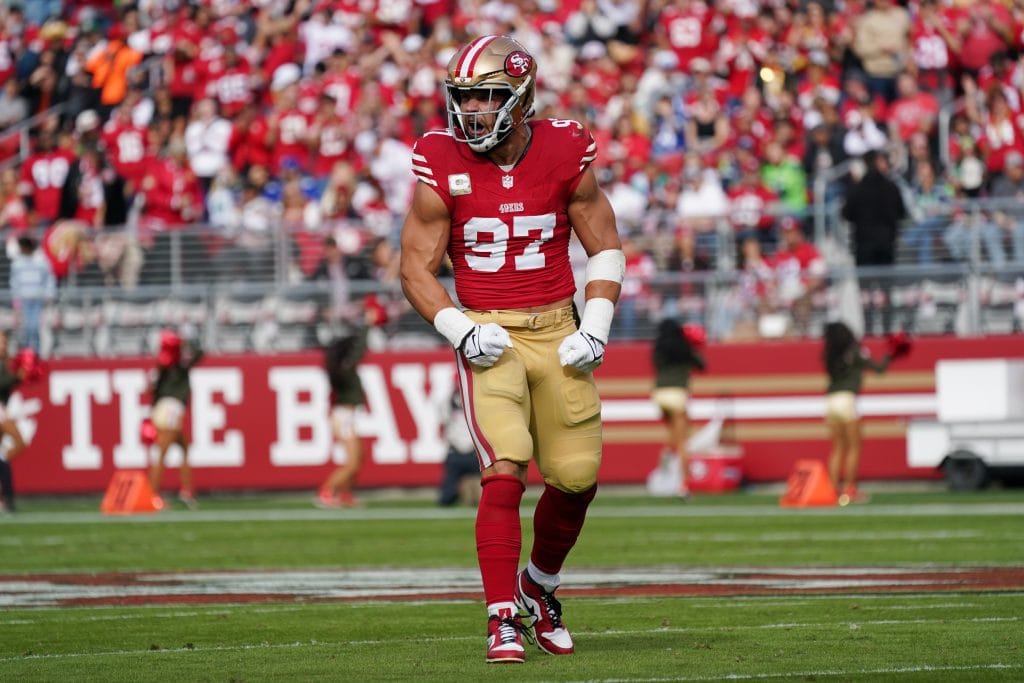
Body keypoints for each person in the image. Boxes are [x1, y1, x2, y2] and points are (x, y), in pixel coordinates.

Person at [399, 35, 623, 664]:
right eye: (465, 97)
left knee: (577, 477)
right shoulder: (439, 157)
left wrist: (596, 322)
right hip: (487, 330)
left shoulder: (564, 146)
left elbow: (604, 246)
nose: (472, 110)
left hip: (556, 326)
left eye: (489, 95)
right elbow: (415, 267)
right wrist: (459, 328)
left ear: (521, 98)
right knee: (505, 467)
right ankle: (501, 616)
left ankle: (539, 587)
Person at [822, 321, 908, 506]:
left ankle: (832, 489)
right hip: (847, 400)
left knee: (838, 448)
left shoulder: (829, 354)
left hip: (830, 401)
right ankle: (850, 489)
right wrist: (890, 355)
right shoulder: (855, 351)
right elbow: (879, 369)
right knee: (854, 447)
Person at [147, 329, 203, 510]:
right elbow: (199, 353)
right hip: (170, 411)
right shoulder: (175, 366)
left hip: (164, 410)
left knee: (184, 447)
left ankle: (186, 491)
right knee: (163, 452)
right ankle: (152, 495)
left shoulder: (161, 367)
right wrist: (184, 343)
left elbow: (152, 389)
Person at [651, 320, 707, 500]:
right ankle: (684, 486)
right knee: (683, 442)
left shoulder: (659, 349)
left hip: (659, 394)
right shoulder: (685, 348)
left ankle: (665, 465)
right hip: (677, 395)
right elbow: (702, 366)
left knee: (673, 435)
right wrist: (692, 346)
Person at [316, 327, 369, 509]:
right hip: (344, 417)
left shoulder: (340, 370)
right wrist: (367, 327)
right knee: (352, 462)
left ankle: (345, 493)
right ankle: (326, 491)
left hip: (346, 416)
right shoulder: (345, 370)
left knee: (359, 458)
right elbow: (358, 350)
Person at [0, 331, 33, 513]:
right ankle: (8, 499)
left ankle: (7, 499)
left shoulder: (6, 363)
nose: (3, 345)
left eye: (5, 342)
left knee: (4, 456)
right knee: (19, 442)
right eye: (1, 342)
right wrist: (17, 377)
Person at [436, 377, 481, 507]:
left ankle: (472, 494)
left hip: (473, 450)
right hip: (456, 450)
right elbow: (444, 423)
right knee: (446, 499)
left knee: (484, 495)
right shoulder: (448, 403)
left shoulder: (476, 401)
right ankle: (455, 494)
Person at [9, 235, 57, 354]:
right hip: (24, 299)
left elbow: (49, 279)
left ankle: (35, 353)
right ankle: (26, 353)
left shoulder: (41, 261)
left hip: (37, 299)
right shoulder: (17, 263)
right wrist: (16, 300)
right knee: (25, 328)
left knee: (35, 327)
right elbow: (15, 283)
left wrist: (49, 295)